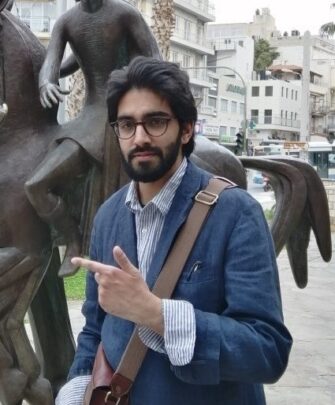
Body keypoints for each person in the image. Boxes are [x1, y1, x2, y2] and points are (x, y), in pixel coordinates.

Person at [56, 57, 292, 404]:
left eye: (155, 122)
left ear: (186, 129)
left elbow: (267, 350)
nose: (139, 138)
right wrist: (77, 388)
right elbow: (95, 327)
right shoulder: (108, 217)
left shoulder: (237, 214)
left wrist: (155, 313)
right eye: (126, 124)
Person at [24, 0, 161, 277]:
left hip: (120, 113)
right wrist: (46, 82)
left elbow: (155, 58)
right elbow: (54, 63)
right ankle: (72, 241)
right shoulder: (67, 21)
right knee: (36, 185)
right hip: (88, 118)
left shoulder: (125, 13)